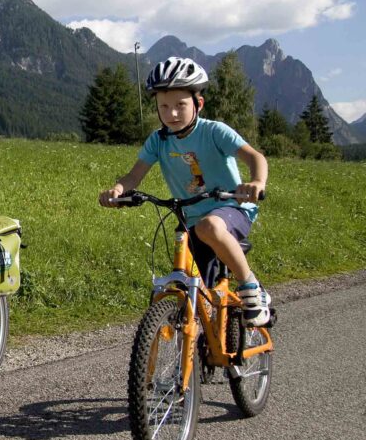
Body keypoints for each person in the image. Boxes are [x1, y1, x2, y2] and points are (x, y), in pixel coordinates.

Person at [98, 57, 272, 326]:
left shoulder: (214, 132)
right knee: (197, 286)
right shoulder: (158, 140)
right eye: (164, 106)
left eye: (180, 105)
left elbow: (255, 157)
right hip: (189, 219)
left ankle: (251, 287)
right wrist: (118, 190)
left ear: (198, 104)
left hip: (231, 208)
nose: (172, 114)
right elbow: (134, 175)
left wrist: (256, 183)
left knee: (209, 227)